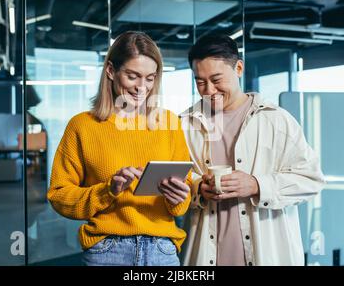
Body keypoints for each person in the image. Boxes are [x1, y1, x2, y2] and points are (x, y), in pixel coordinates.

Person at [47, 31, 192, 266]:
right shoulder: (82, 126)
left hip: (161, 251)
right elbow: (59, 196)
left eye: (150, 78)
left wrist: (178, 197)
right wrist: (108, 190)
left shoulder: (169, 123)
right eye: (132, 76)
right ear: (111, 71)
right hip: (107, 251)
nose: (141, 87)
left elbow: (181, 204)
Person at [180, 34, 325, 266]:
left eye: (217, 79)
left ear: (238, 68)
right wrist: (197, 188)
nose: (209, 90)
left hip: (267, 256)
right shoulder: (184, 125)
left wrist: (257, 185)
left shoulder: (277, 120)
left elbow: (311, 180)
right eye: (200, 81)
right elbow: (175, 183)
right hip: (203, 257)